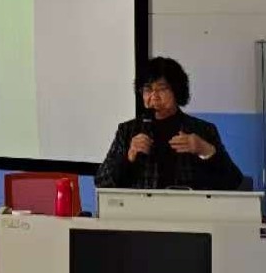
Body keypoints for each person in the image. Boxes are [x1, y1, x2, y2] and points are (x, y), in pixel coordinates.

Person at [95, 57, 245, 190]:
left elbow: (234, 182)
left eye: (162, 89)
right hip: (140, 210)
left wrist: (206, 151)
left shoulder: (202, 130)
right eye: (148, 89)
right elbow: (101, 181)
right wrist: (129, 157)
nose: (154, 96)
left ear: (177, 91)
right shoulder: (127, 131)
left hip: (189, 210)